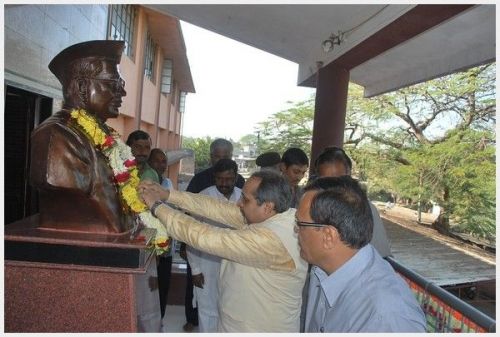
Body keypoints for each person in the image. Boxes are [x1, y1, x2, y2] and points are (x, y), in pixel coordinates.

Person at [139, 169, 308, 332]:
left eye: (245, 200)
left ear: (267, 207)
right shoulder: (276, 215)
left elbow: (204, 236)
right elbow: (218, 208)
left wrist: (157, 207)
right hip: (238, 322)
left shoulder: (271, 239)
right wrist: (167, 194)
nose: (238, 203)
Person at [30, 40, 134, 234]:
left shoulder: (103, 136)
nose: (122, 92)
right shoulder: (56, 136)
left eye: (121, 84)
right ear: (81, 86)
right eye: (113, 83)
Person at [296, 176, 426, 332]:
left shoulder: (387, 316)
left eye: (300, 224)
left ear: (328, 236)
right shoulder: (321, 269)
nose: (296, 231)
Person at [181, 138, 245, 332]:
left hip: (236, 265)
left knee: (232, 311)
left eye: (229, 179)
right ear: (214, 176)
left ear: (235, 177)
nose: (224, 184)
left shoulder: (245, 198)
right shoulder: (204, 198)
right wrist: (196, 269)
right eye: (220, 179)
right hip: (207, 263)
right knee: (207, 310)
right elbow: (192, 234)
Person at [314, 146, 391, 257]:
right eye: (325, 182)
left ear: (349, 177)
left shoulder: (366, 209)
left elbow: (381, 255)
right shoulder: (311, 208)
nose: (332, 188)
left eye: (338, 181)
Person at [147, 148, 175, 327]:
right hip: (148, 248)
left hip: (166, 247)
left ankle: (160, 323)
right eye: (157, 161)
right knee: (149, 288)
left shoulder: (168, 184)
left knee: (163, 287)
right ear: (150, 162)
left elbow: (173, 212)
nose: (161, 165)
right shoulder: (142, 182)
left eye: (164, 161)